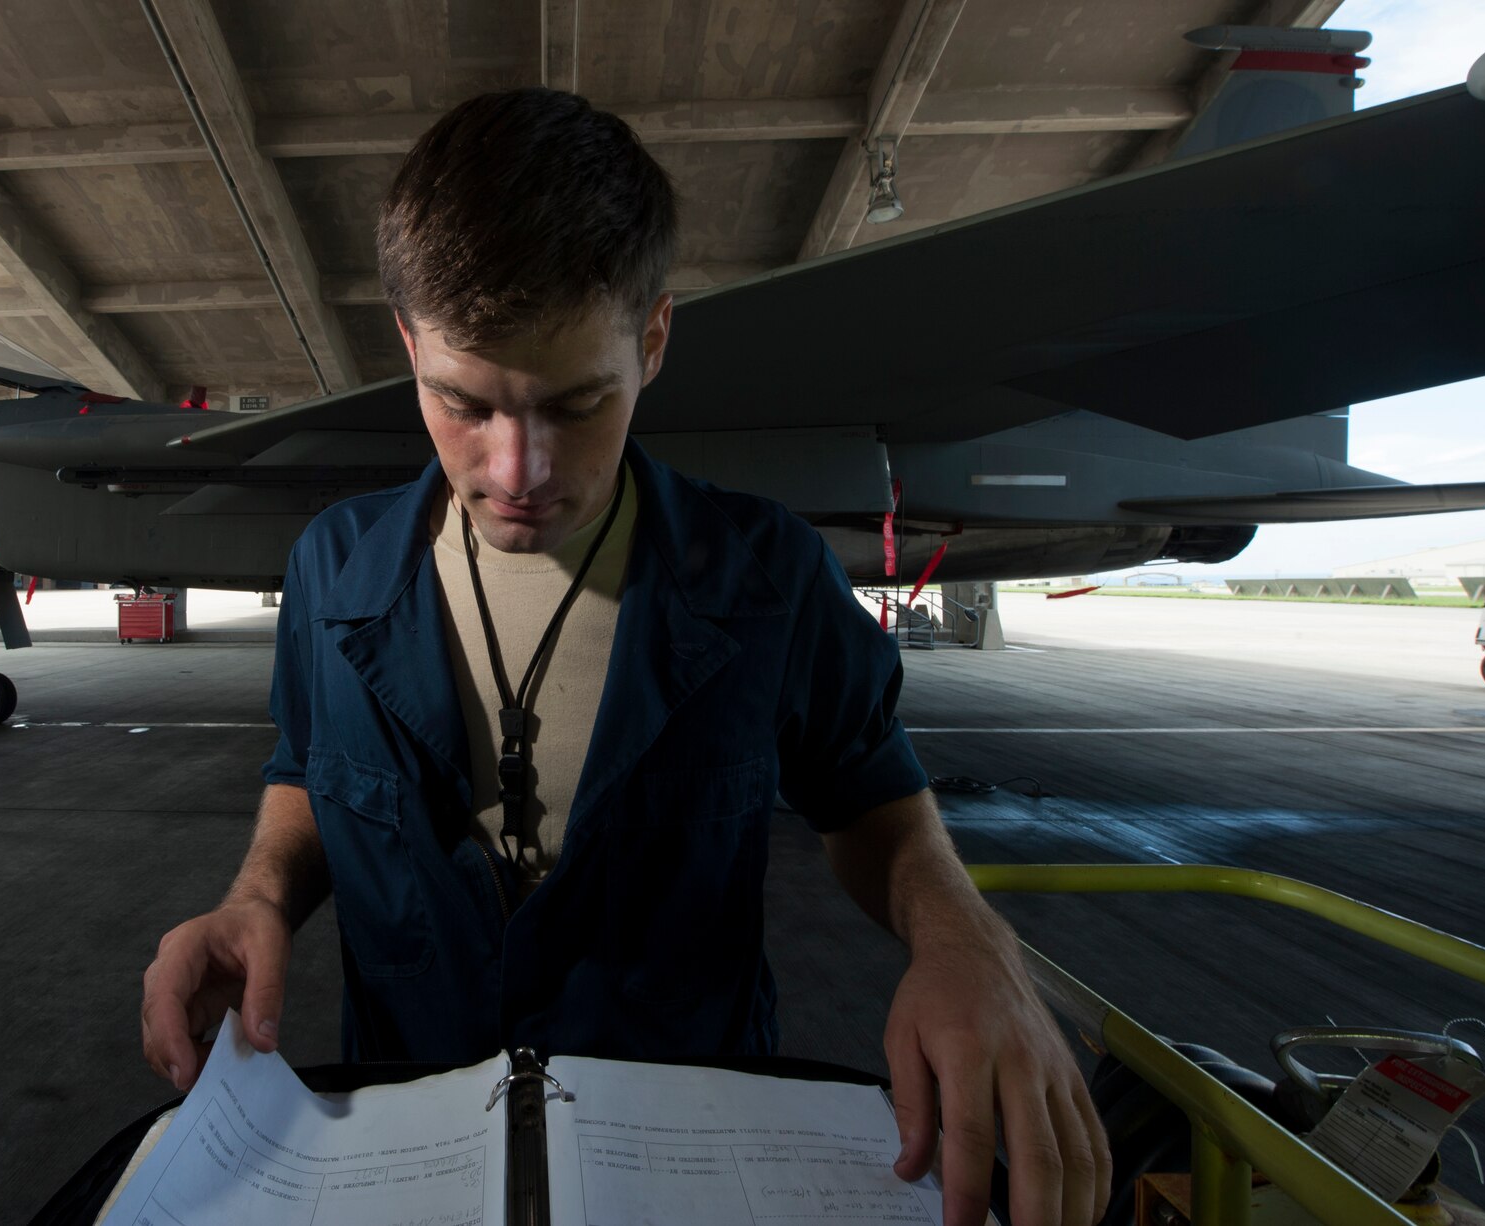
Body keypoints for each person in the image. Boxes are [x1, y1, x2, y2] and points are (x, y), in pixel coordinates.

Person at [142, 88, 1111, 1226]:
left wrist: (965, 942)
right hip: (408, 1144)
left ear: (652, 340)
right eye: (461, 403)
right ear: (404, 346)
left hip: (690, 1162)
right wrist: (256, 895)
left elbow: (873, 801)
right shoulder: (331, 569)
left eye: (576, 403)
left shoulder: (767, 576)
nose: (515, 468)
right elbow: (308, 769)